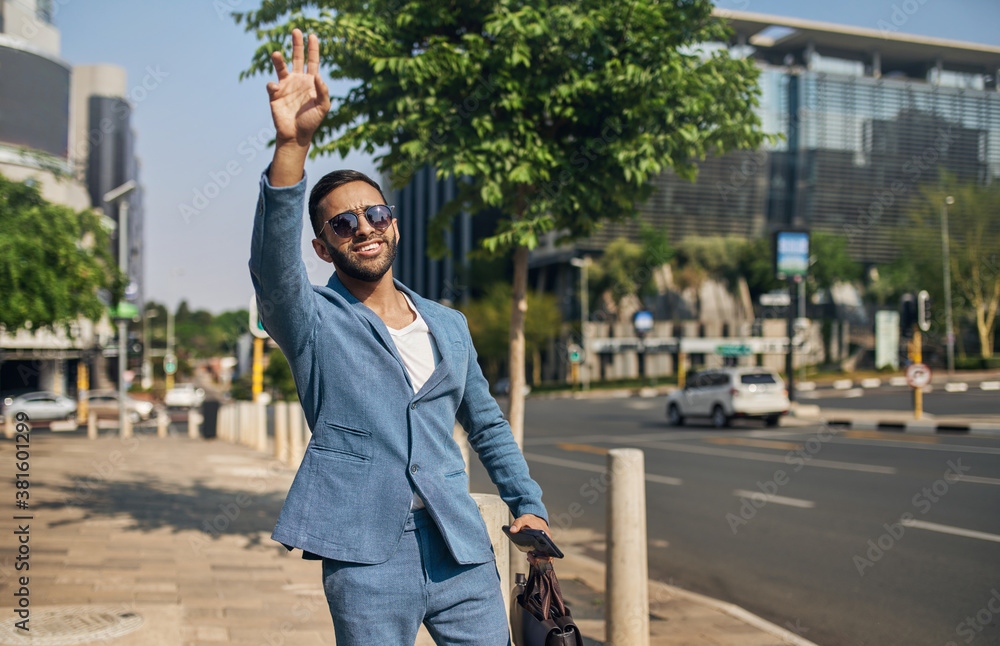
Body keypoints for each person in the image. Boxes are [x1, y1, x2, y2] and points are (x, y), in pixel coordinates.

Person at [249, 29, 550, 646]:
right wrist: (291, 147)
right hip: (365, 557)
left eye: (375, 214)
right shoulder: (311, 321)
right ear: (323, 245)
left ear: (392, 224)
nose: (364, 228)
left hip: (460, 550)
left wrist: (526, 500)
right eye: (342, 222)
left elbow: (486, 424)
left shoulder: (448, 323)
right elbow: (271, 270)